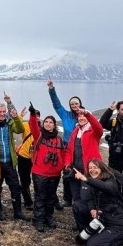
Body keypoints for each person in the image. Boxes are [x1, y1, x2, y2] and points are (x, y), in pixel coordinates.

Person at [72, 159, 123, 246]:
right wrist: (92, 209)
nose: (92, 170)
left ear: (102, 169)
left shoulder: (111, 181)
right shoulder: (95, 181)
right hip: (103, 220)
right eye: (90, 168)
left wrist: (86, 179)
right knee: (78, 205)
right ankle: (94, 234)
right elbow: (91, 198)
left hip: (116, 224)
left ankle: (120, 239)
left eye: (95, 167)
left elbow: (106, 187)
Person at [28, 105, 69, 233]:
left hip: (55, 174)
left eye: (51, 122)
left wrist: (63, 166)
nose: (48, 124)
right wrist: (33, 115)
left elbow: (63, 154)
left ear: (54, 125)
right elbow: (33, 125)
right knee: (40, 197)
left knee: (51, 197)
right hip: (40, 173)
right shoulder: (38, 136)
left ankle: (48, 217)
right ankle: (38, 220)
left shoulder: (58, 140)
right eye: (46, 122)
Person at [0, 95, 30, 221]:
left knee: (15, 186)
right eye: (0, 112)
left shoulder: (9, 123)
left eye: (4, 112)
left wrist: (13, 114)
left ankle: (18, 212)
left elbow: (19, 129)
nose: (2, 114)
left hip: (9, 162)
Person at [47, 80, 82, 209]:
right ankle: (67, 199)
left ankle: (79, 198)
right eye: (72, 103)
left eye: (76, 103)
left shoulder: (84, 116)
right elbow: (56, 104)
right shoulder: (65, 115)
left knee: (80, 173)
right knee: (67, 174)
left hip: (80, 149)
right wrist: (51, 89)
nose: (74, 105)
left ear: (80, 104)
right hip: (67, 149)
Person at [63, 108, 104, 213]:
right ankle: (79, 220)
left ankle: (91, 221)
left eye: (83, 116)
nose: (81, 118)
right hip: (75, 170)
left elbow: (99, 128)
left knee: (89, 197)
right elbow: (68, 150)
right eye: (79, 116)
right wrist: (67, 163)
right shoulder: (75, 131)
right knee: (76, 196)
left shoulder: (93, 131)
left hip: (89, 170)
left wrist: (88, 114)